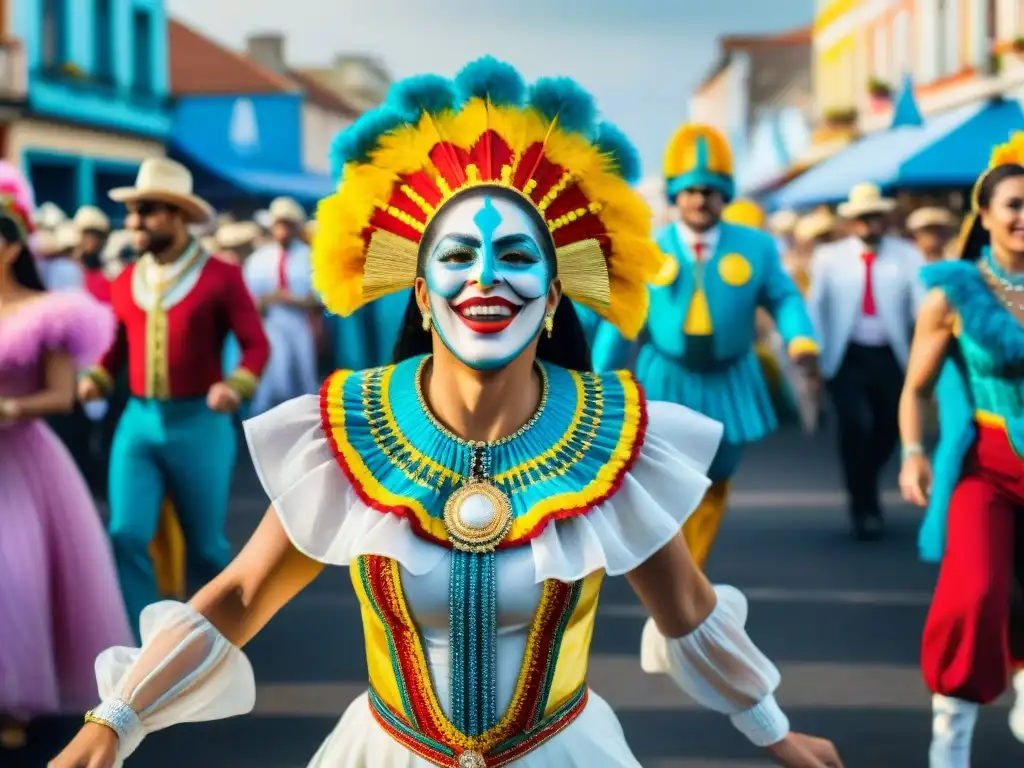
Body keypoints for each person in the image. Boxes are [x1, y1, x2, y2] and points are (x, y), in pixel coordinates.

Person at [50, 58, 842, 768]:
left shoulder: (612, 437)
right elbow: (241, 595)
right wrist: (118, 718)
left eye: (518, 256)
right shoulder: (350, 428)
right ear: (422, 295)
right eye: (458, 257)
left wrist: (774, 732)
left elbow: (689, 612)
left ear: (555, 289)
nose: (486, 279)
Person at [591, 122, 819, 568]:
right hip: (665, 380)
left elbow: (785, 296)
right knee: (664, 483)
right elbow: (624, 319)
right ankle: (678, 578)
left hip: (731, 381)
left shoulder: (757, 247)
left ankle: (693, 568)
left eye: (710, 190)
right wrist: (599, 380)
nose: (700, 199)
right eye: (691, 190)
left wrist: (801, 341)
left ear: (726, 195)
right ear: (676, 195)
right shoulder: (648, 249)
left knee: (717, 477)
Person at [77, 158, 270, 633]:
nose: (134, 221)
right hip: (138, 422)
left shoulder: (221, 276)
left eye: (148, 210)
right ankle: (145, 644)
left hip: (199, 425)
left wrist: (237, 384)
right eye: (133, 211)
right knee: (125, 535)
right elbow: (116, 347)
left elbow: (256, 344)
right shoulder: (125, 281)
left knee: (205, 547)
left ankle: (217, 641)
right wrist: (97, 378)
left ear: (180, 215)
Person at [897, 135, 1024, 768]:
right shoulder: (953, 293)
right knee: (975, 591)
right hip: (989, 468)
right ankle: (952, 735)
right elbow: (915, 388)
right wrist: (914, 451)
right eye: (1015, 204)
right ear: (987, 213)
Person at [0, 174, 131, 750]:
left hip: (22, 461)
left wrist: (10, 405)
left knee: (15, 575)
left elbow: (62, 394)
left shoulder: (49, 312)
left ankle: (13, 700)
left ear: (10, 246)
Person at [807, 182, 924, 539]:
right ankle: (864, 505)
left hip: (891, 356)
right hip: (846, 356)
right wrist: (812, 354)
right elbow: (815, 308)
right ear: (851, 222)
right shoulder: (830, 258)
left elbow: (922, 308)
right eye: (862, 218)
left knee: (889, 427)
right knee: (855, 425)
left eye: (875, 217)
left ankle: (865, 479)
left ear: (884, 219)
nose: (869, 224)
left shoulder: (907, 255)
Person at [244, 196, 321, 415]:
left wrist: (293, 300)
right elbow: (250, 301)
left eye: (287, 224)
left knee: (304, 376)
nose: (282, 230)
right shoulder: (259, 259)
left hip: (300, 325)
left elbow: (319, 299)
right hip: (271, 325)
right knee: (274, 376)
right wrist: (269, 300)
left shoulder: (309, 257)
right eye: (279, 224)